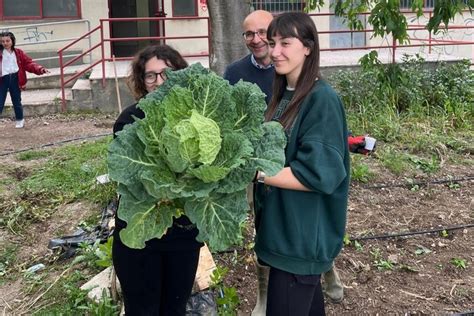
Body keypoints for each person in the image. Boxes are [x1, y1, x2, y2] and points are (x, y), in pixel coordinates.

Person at [224, 10, 347, 314]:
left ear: (308, 47)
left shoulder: (321, 99)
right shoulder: (284, 95)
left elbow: (320, 175)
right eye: (273, 42)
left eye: (285, 43)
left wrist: (255, 172)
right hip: (281, 234)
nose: (274, 51)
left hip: (300, 239)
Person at [112, 44, 203, 315]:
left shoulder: (199, 117)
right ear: (142, 81)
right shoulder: (130, 119)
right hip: (141, 233)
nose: (159, 81)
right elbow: (128, 174)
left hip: (184, 236)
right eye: (150, 75)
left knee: (174, 309)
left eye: (166, 73)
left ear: (180, 73)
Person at [0, 31, 49, 128]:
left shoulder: (18, 53)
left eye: (7, 41)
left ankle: (19, 119)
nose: (5, 43)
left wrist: (40, 69)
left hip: (15, 79)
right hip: (2, 80)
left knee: (17, 100)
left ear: (12, 41)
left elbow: (29, 64)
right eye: (2, 41)